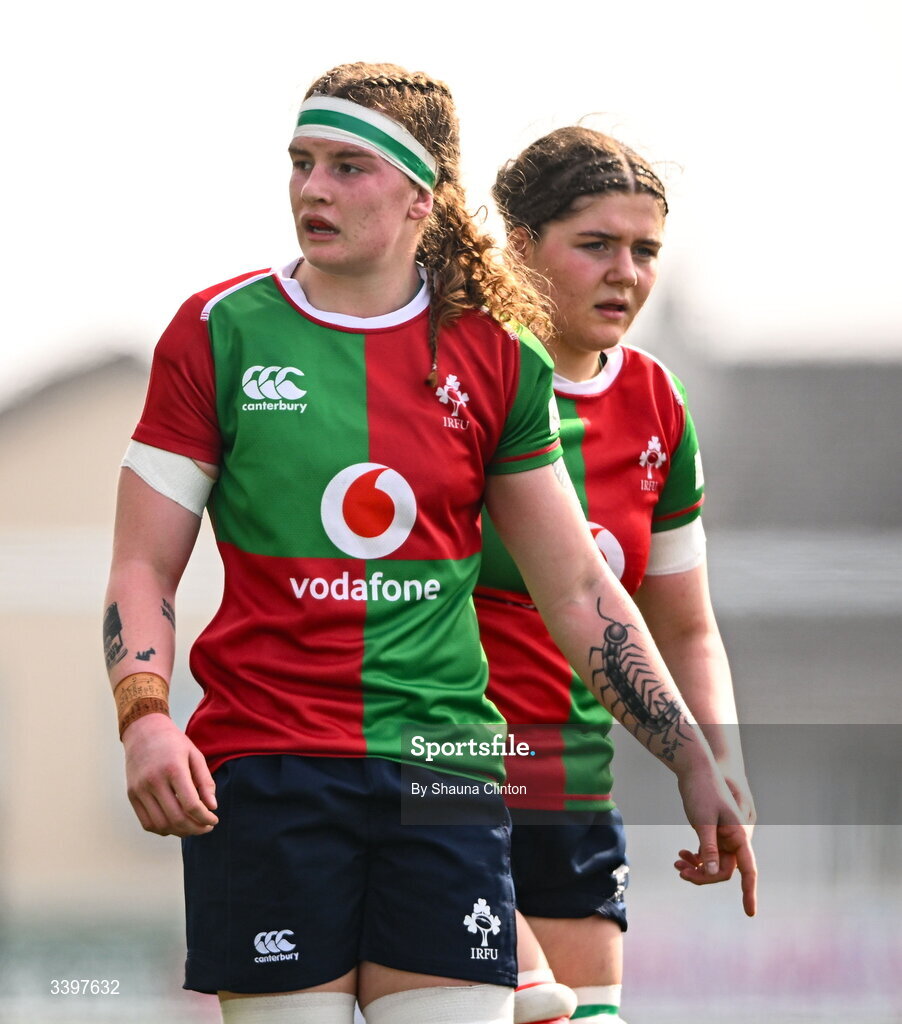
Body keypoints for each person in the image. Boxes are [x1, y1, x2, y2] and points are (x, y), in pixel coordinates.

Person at [103, 66, 756, 1024]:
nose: (312, 189)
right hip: (272, 764)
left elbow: (578, 588)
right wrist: (146, 716)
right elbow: (142, 565)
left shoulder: (496, 354)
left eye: (348, 167)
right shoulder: (217, 332)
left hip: (448, 766)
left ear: (423, 194)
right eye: (301, 163)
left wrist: (696, 755)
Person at [474, 125, 757, 1024]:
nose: (626, 273)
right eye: (596, 245)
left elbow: (684, 625)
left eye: (645, 251)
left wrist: (720, 762)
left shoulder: (656, 405)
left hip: (571, 781)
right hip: (438, 775)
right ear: (520, 246)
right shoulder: (455, 376)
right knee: (529, 1011)